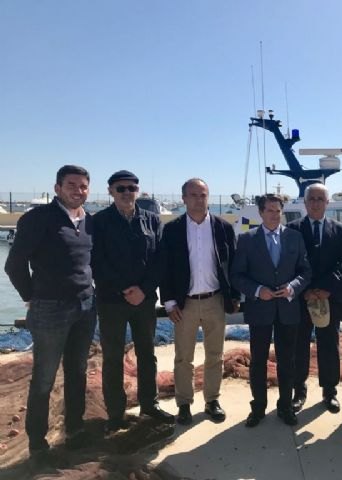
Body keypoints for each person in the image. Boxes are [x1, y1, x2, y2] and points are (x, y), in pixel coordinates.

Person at [4, 165, 97, 458]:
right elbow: (14, 264)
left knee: (77, 372)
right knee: (44, 377)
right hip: (50, 310)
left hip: (85, 307)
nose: (77, 191)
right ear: (57, 188)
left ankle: (75, 429)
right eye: (71, 185)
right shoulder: (38, 219)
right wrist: (31, 296)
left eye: (83, 186)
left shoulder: (88, 221)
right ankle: (37, 441)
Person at [92, 170, 174, 433]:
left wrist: (145, 289)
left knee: (147, 355)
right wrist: (124, 289)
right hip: (111, 301)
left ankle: (149, 404)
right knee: (113, 357)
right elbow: (96, 261)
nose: (127, 193)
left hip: (145, 300)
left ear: (137, 191)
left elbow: (161, 259)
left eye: (131, 188)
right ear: (110, 191)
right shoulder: (99, 222)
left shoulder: (152, 220)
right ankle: (115, 413)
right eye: (121, 189)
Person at [160, 178, 240, 425]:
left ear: (209, 197)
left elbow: (233, 264)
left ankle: (212, 400)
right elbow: (165, 268)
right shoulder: (172, 229)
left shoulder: (223, 228)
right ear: (183, 198)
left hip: (215, 300)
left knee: (215, 354)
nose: (198, 199)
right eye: (193, 194)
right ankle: (184, 403)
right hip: (185, 304)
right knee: (184, 357)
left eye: (203, 194)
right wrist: (169, 302)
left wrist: (234, 296)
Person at [231, 194, 311, 427]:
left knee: (287, 360)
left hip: (288, 309)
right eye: (269, 211)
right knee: (258, 361)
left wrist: (293, 288)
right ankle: (258, 408)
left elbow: (305, 271)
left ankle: (285, 407)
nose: (274, 215)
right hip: (260, 310)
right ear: (261, 212)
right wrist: (257, 291)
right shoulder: (247, 240)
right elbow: (236, 275)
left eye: (278, 211)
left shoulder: (294, 238)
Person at [287, 184, 342, 414]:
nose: (315, 202)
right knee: (299, 345)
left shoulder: (339, 229)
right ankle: (299, 390)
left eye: (320, 199)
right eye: (311, 199)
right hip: (300, 298)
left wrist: (326, 288)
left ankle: (330, 391)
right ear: (305, 203)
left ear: (327, 203)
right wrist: (303, 290)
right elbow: (289, 265)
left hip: (329, 298)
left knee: (329, 345)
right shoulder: (292, 229)